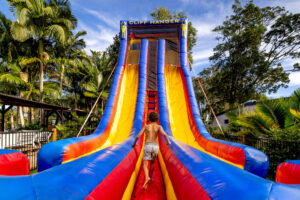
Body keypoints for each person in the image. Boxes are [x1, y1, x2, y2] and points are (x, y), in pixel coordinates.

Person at [132, 111, 171, 189]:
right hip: (156, 147)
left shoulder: (146, 126)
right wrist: (168, 142)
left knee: (145, 165)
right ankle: (150, 177)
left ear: (149, 119)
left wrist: (134, 143)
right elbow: (165, 134)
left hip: (148, 145)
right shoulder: (159, 127)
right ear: (157, 119)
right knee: (152, 163)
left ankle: (147, 177)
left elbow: (138, 136)